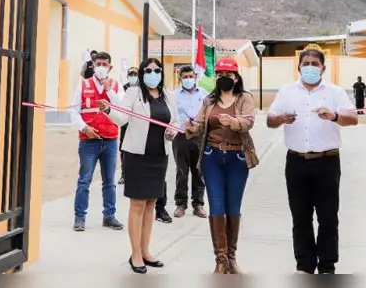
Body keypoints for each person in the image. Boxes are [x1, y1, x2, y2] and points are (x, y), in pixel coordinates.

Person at [266, 48, 358, 275]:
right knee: (300, 216)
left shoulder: (335, 92)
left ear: (323, 68)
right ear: (298, 67)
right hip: (296, 162)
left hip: (326, 162)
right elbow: (270, 121)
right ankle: (304, 266)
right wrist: (281, 119)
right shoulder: (287, 91)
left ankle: (327, 267)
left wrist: (334, 116)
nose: (309, 67)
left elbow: (353, 119)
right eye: (305, 63)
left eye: (314, 64)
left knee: (327, 217)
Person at [101, 58, 179, 273]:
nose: (153, 73)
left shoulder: (168, 95)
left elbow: (175, 120)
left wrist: (172, 130)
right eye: (148, 70)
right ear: (143, 73)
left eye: (157, 70)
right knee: (137, 205)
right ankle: (135, 254)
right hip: (137, 156)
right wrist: (108, 110)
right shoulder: (133, 93)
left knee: (151, 204)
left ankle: (146, 251)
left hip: (159, 156)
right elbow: (122, 119)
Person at [185, 57, 259, 274]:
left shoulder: (245, 98)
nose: (223, 78)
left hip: (237, 158)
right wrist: (190, 126)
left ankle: (232, 258)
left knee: (233, 207)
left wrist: (233, 122)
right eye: (219, 75)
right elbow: (198, 124)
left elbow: (249, 121)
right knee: (216, 206)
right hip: (212, 157)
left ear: (236, 78)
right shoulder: (209, 101)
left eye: (227, 75)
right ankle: (220, 260)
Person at [69, 52, 125, 232]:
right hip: (88, 141)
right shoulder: (83, 84)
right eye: (98, 63)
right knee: (84, 180)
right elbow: (73, 111)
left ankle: (109, 216)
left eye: (105, 64)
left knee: (109, 181)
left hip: (110, 140)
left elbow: (122, 110)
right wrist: (84, 127)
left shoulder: (116, 86)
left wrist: (108, 90)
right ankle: (80, 217)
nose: (101, 67)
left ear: (110, 67)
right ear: (93, 65)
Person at [172, 65, 207, 218]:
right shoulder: (174, 96)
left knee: (199, 171)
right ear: (180, 78)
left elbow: (208, 114)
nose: (188, 79)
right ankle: (180, 204)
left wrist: (200, 126)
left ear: (195, 77)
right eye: (184, 77)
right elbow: (171, 116)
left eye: (190, 76)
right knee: (181, 171)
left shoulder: (204, 94)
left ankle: (198, 204)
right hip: (181, 137)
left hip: (199, 137)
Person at [118, 66, 139, 185]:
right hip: (125, 123)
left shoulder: (143, 89)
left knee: (139, 149)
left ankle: (136, 174)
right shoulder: (123, 89)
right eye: (131, 75)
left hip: (138, 124)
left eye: (135, 74)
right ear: (127, 77)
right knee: (124, 150)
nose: (133, 77)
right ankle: (124, 175)